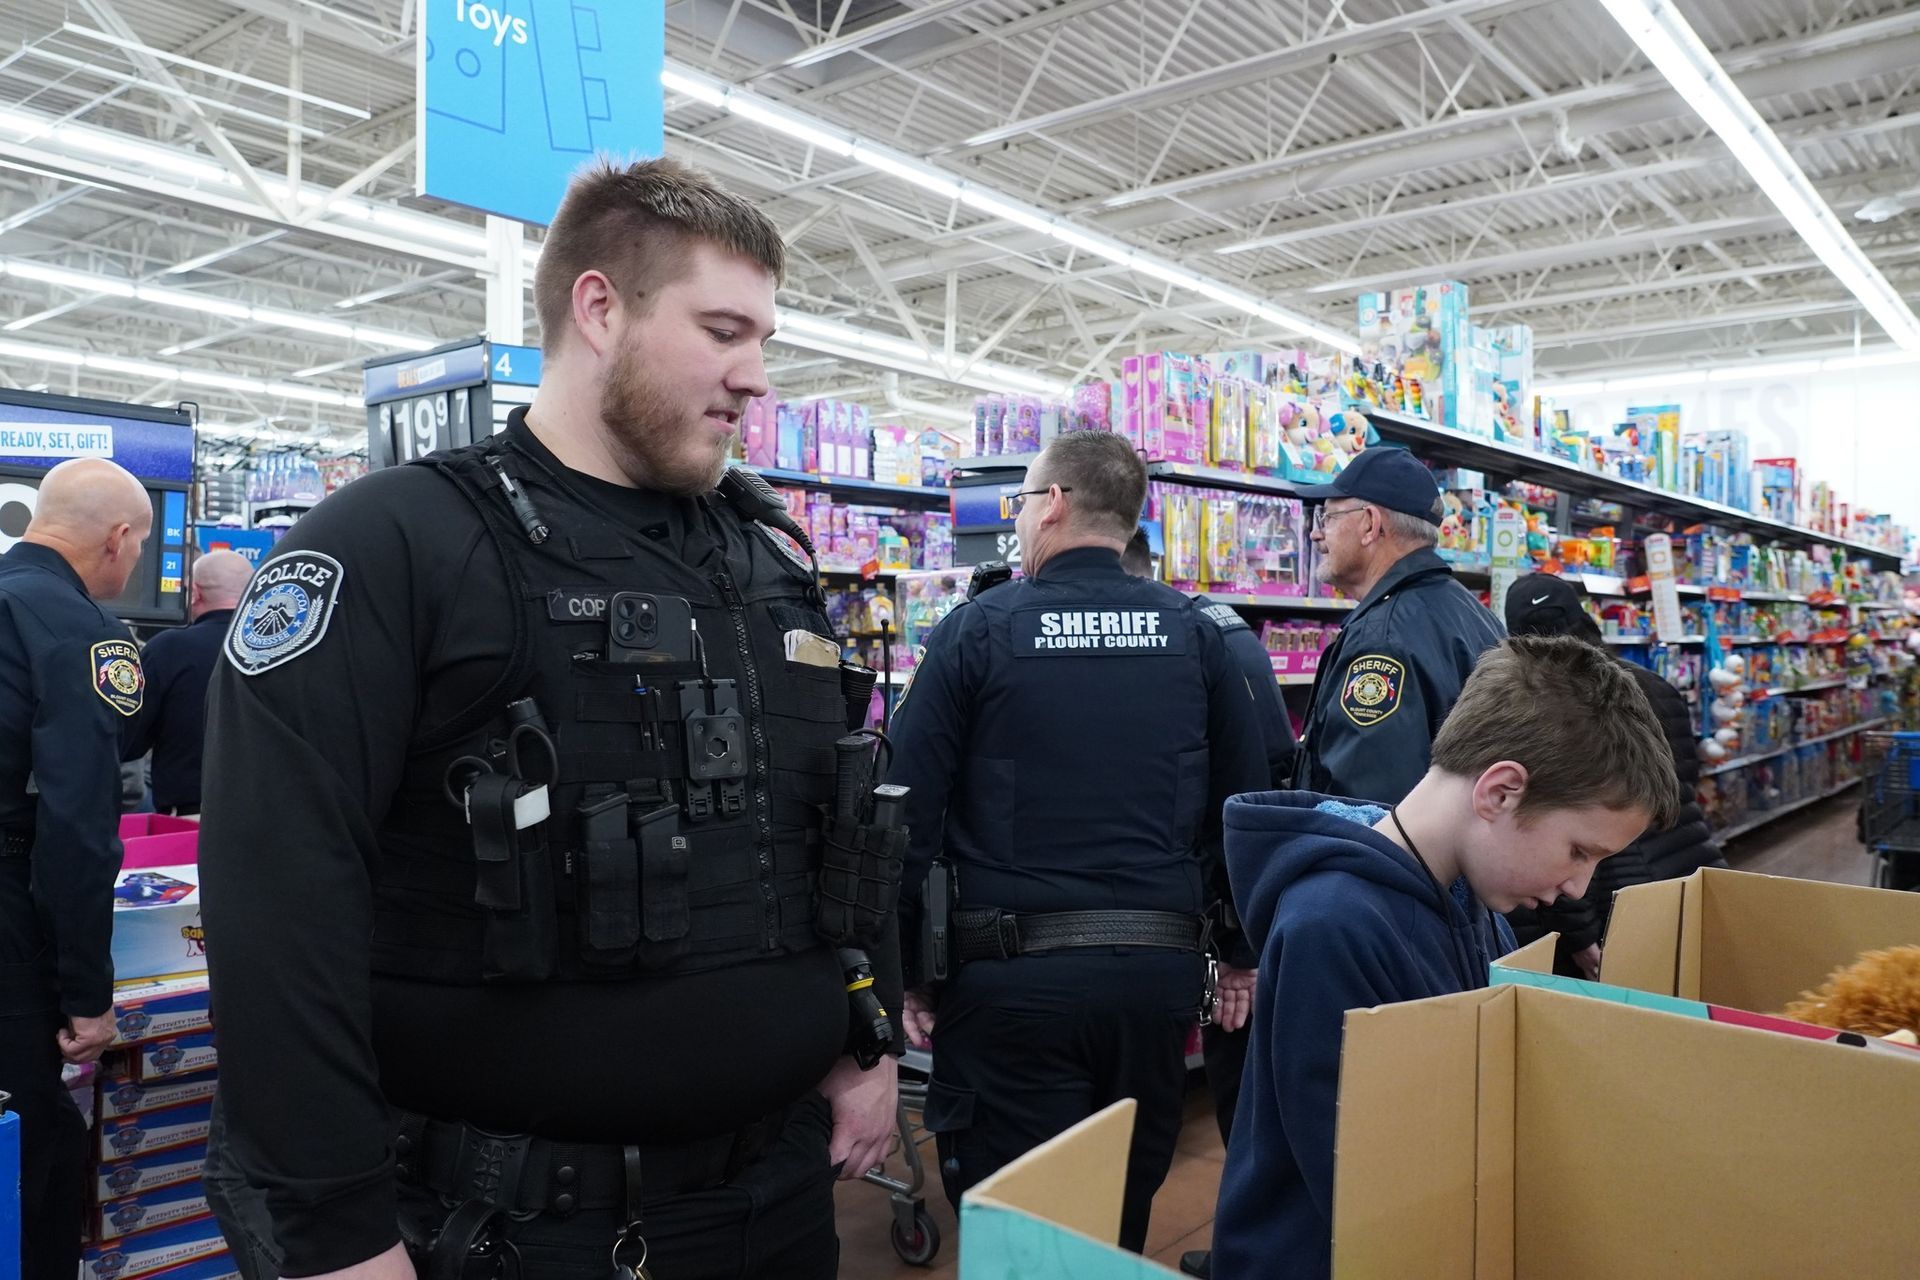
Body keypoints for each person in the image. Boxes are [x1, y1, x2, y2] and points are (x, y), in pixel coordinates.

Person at [199, 157, 900, 1280]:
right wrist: (336, 1235)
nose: (757, 376)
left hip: (777, 1202)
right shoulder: (395, 543)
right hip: (523, 1229)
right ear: (599, 306)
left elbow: (834, 834)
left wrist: (863, 1032)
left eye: (766, 338)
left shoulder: (767, 561)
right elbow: (277, 904)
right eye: (724, 329)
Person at [887, 432, 1267, 1253]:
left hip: (1010, 989)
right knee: (1111, 1229)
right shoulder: (1199, 636)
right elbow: (1242, 805)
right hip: (1153, 992)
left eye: (1020, 503)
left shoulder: (975, 632)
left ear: (1052, 503)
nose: (1019, 521)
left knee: (1020, 1237)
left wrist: (909, 969)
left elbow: (906, 811)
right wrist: (1238, 951)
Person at [1212, 636, 1679, 1279]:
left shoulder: (1472, 898)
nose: (1578, 887)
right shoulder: (1333, 927)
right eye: (1580, 851)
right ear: (1501, 792)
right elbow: (1369, 1189)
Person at [0, 456, 153, 1280]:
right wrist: (88, 996)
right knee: (36, 1147)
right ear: (118, 538)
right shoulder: (77, 632)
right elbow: (77, 830)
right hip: (10, 922)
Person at [1121, 527, 1285, 1280]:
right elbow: (1259, 788)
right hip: (1213, 918)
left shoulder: (1190, 642)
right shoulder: (1224, 632)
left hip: (1191, 915)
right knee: (1233, 1102)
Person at [1500, 573, 1726, 976]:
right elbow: (1685, 784)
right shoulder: (1657, 688)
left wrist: (1578, 933)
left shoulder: (1539, 711)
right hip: (1684, 873)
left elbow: (1561, 836)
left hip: (1610, 899)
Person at [1289, 448, 1504, 804]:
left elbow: (1367, 808)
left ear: (1370, 524)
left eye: (1326, 517)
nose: (1316, 534)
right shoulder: (1468, 609)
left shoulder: (1382, 640)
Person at [121, 549, 254, 816]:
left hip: (189, 819)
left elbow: (128, 739)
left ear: (194, 593)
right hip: (271, 815)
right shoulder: (283, 650)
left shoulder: (169, 649)